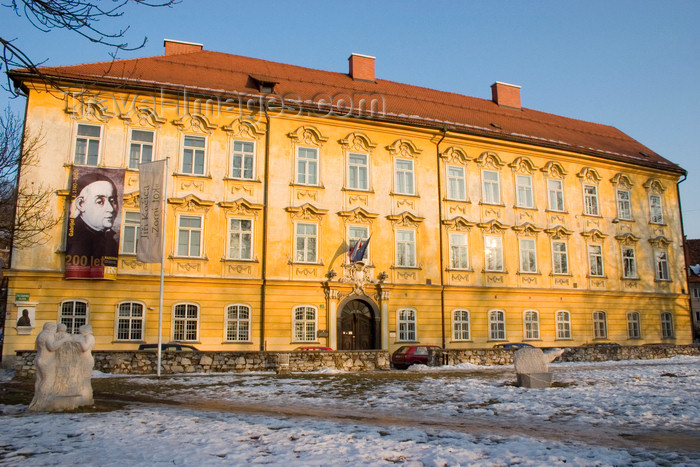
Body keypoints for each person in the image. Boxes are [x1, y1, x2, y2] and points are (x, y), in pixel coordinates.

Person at [66, 172, 119, 261]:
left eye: (113, 201)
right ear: (80, 204)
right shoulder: (73, 237)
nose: (110, 209)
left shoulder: (110, 241)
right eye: (99, 201)